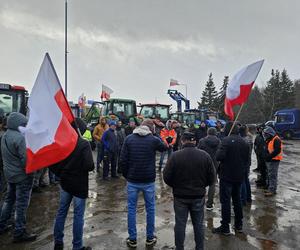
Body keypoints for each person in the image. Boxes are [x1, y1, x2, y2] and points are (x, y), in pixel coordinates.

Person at [163, 132, 215, 250]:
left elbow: (166, 176)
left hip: (181, 196)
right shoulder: (205, 155)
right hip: (197, 195)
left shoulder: (175, 156)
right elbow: (212, 177)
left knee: (180, 224)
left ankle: (179, 248)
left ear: (182, 141)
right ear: (195, 142)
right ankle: (199, 247)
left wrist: (176, 186)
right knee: (198, 224)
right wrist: (201, 186)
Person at [120, 119, 167, 248]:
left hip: (132, 180)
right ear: (151, 129)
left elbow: (123, 160)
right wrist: (155, 134)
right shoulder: (153, 139)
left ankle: (133, 238)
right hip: (148, 180)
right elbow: (164, 147)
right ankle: (150, 238)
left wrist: (127, 175)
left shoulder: (129, 139)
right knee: (150, 209)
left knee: (131, 209)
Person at [53, 118, 94, 250]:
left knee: (61, 212)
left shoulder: (62, 142)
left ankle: (58, 242)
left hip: (65, 183)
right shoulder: (83, 144)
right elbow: (89, 165)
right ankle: (77, 246)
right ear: (81, 129)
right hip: (79, 185)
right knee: (78, 216)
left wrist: (60, 173)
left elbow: (53, 163)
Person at [0, 112, 37, 242]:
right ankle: (19, 232)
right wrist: (33, 169)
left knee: (8, 200)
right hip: (22, 177)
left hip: (9, 175)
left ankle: (2, 225)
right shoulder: (20, 138)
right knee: (21, 205)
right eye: (23, 123)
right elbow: (26, 161)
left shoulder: (5, 136)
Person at [212, 121, 249, 235]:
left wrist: (221, 147)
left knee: (226, 201)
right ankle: (239, 225)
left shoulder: (226, 141)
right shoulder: (244, 142)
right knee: (237, 200)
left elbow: (219, 157)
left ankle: (225, 227)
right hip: (239, 176)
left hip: (227, 176)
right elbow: (247, 160)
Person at [198, 127, 221, 210]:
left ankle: (200, 202)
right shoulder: (219, 141)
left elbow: (198, 151)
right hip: (214, 164)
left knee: (202, 183)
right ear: (215, 133)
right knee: (212, 184)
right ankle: (209, 204)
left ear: (207, 133)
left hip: (203, 163)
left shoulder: (201, 141)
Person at [263, 126, 283, 197]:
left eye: (266, 134)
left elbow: (277, 150)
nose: (265, 135)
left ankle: (272, 190)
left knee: (272, 175)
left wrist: (269, 156)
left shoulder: (276, 139)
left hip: (274, 160)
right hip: (271, 159)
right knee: (270, 175)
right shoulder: (270, 138)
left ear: (270, 133)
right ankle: (271, 188)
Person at [239, 125, 253, 206]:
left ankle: (243, 200)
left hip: (244, 162)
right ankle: (248, 197)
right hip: (247, 161)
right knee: (246, 180)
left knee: (243, 181)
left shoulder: (244, 140)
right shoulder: (249, 138)